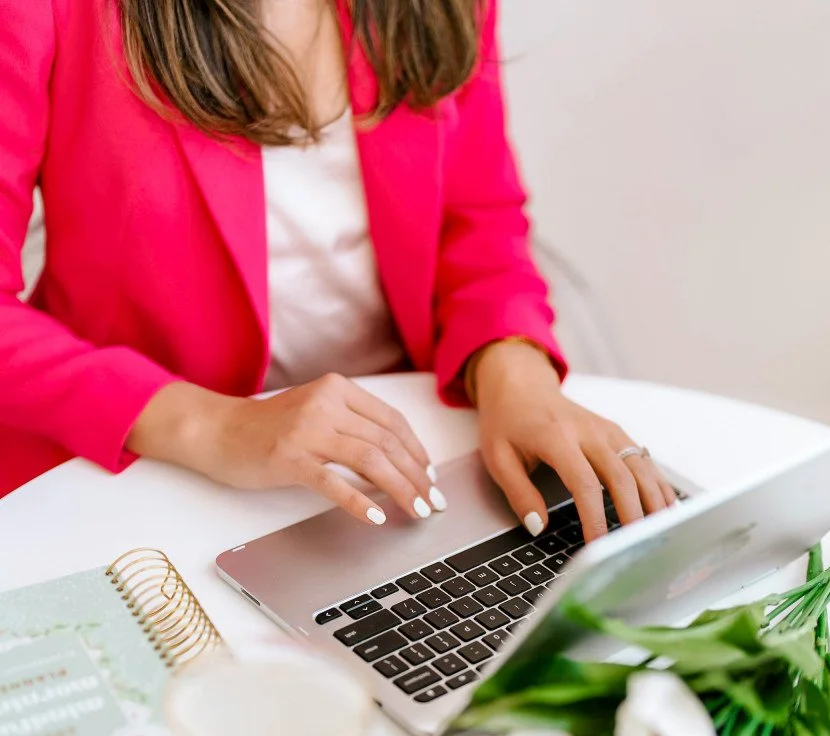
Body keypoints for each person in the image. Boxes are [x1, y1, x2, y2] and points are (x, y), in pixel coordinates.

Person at [0, 0, 675, 539]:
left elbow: (480, 224)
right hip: (149, 465)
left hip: (405, 454)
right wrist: (214, 426)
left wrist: (516, 376)